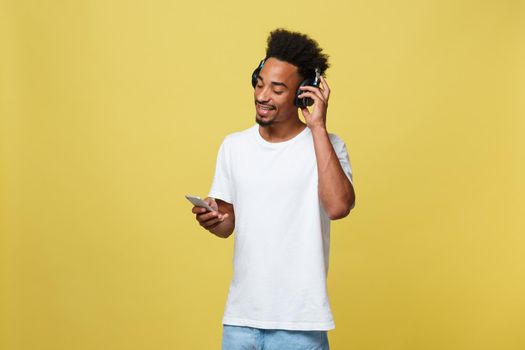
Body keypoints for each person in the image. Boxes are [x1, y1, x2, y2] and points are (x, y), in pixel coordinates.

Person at [191, 28, 356, 350]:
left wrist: (318, 127)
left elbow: (338, 208)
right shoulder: (234, 146)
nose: (262, 95)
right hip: (241, 319)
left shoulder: (329, 146)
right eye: (259, 83)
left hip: (300, 323)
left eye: (277, 89)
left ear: (303, 94)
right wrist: (213, 219)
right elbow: (228, 225)